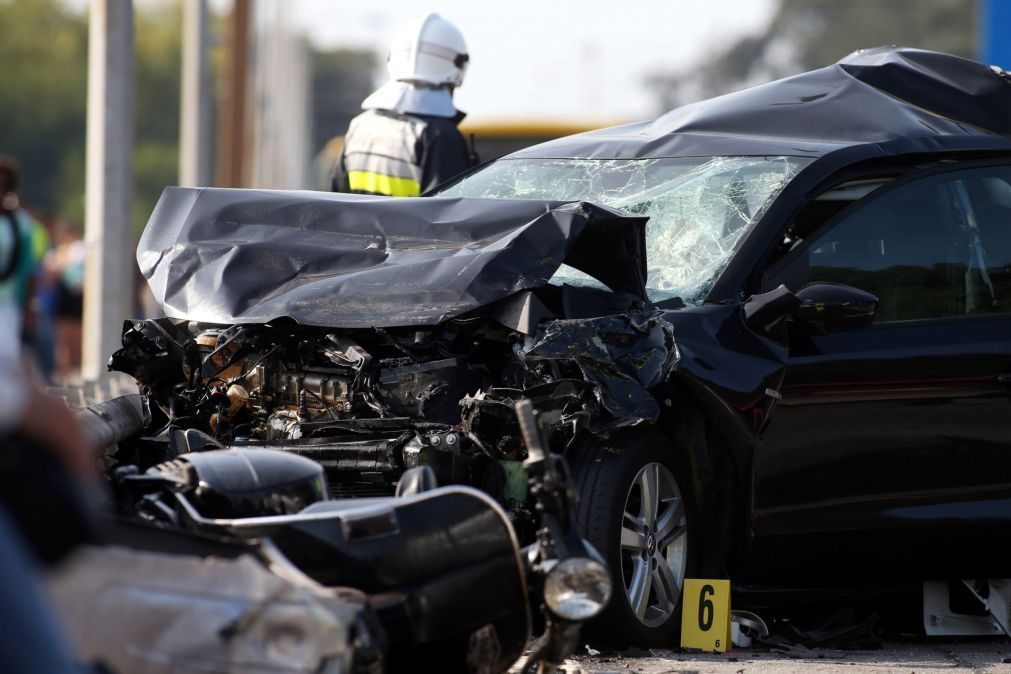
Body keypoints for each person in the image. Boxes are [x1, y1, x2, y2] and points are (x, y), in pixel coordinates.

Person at [331, 13, 476, 197]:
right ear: (458, 68)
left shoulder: (359, 127)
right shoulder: (439, 136)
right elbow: (447, 216)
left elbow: (336, 200)